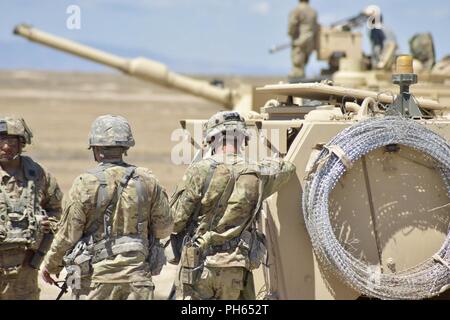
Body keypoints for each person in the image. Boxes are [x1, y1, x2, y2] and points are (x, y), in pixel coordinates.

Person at [41, 114, 173, 300]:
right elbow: (164, 228)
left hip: (95, 281)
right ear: (125, 147)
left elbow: (68, 235)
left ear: (95, 148)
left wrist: (51, 265)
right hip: (138, 279)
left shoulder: (85, 183)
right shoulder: (147, 180)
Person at [170, 111, 296, 300]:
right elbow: (287, 168)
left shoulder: (200, 170)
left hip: (198, 266)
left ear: (212, 139)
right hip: (236, 268)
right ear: (243, 139)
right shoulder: (257, 173)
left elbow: (175, 221)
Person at [0, 116, 62, 300]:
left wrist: (46, 226)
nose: (5, 146)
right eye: (1, 140)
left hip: (25, 268)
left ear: (22, 143)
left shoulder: (38, 175)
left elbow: (56, 210)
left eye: (11, 141)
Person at [288, 0, 319, 79]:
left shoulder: (296, 10)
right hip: (310, 41)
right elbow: (316, 27)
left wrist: (292, 35)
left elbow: (292, 25)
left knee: (297, 67)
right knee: (303, 64)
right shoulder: (313, 11)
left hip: (299, 41)